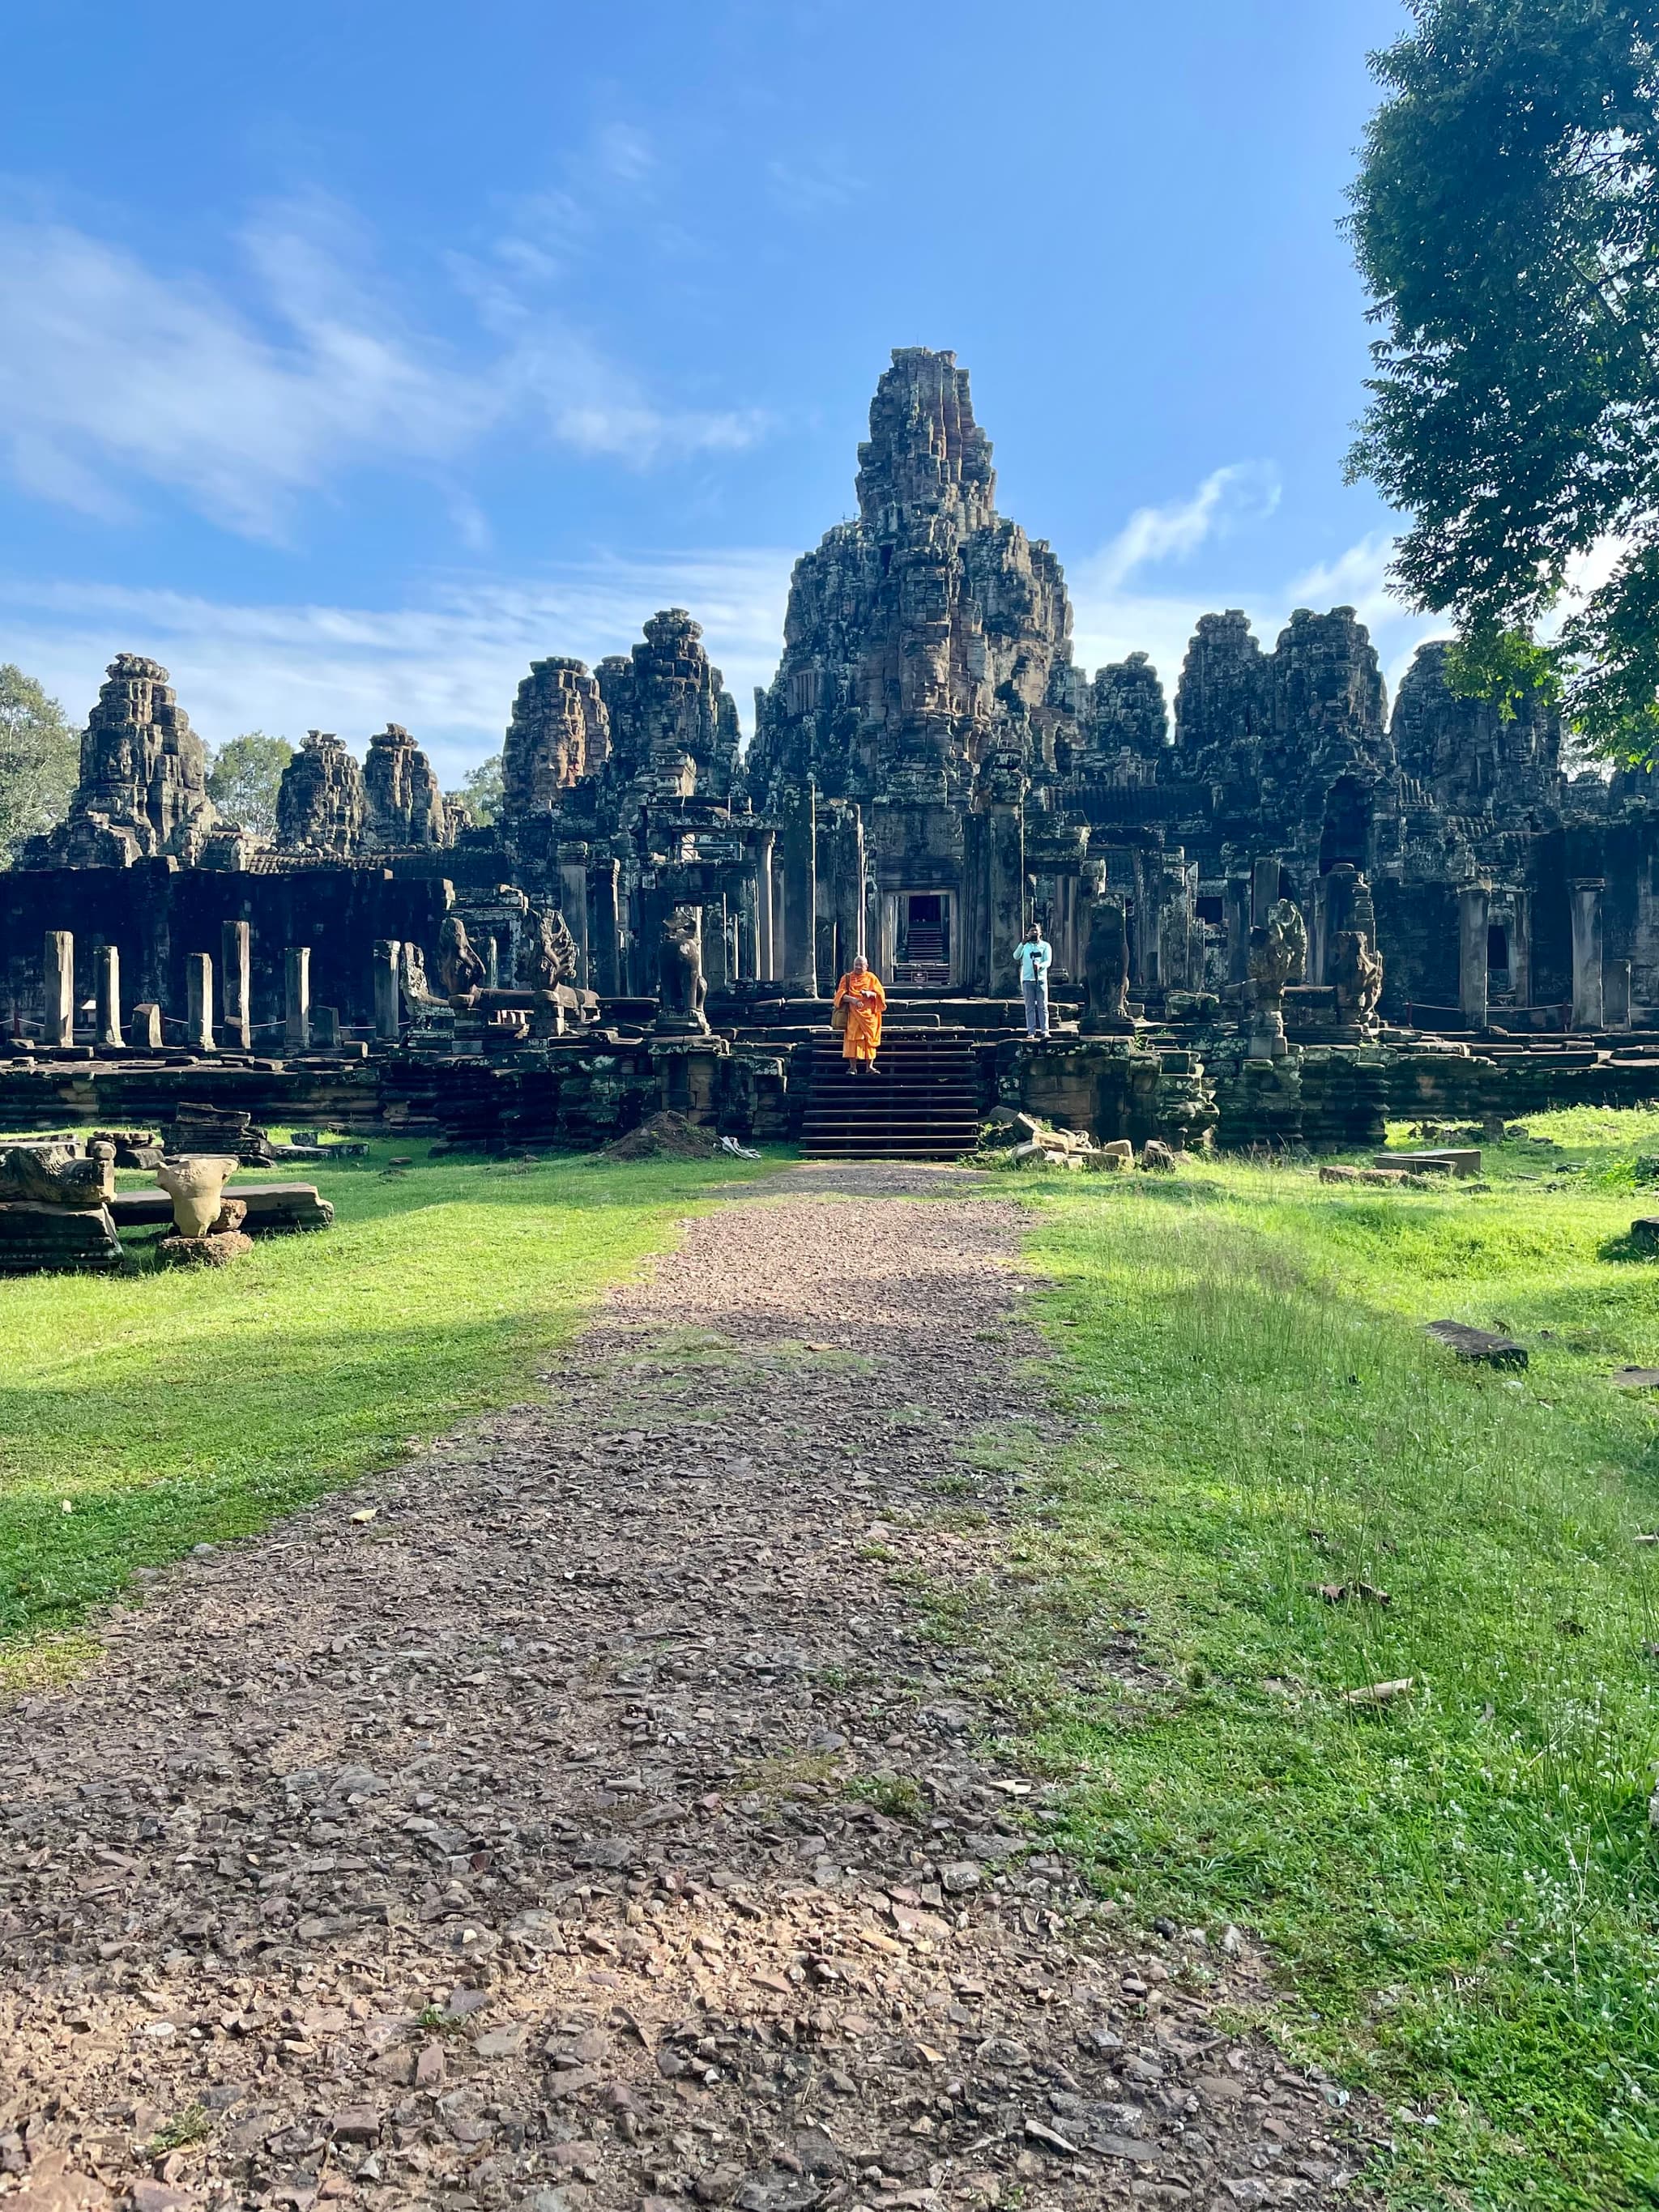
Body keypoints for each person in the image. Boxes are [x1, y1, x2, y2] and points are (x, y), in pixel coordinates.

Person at [834, 955, 886, 1076]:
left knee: (869, 1039)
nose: (858, 967)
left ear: (866, 966)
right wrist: (853, 1000)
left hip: (869, 1015)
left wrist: (869, 994)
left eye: (861, 965)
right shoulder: (847, 978)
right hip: (853, 1014)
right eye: (856, 965)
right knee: (852, 1039)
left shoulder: (872, 978)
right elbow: (839, 995)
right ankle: (852, 1067)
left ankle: (870, 1067)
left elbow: (880, 995)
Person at [1016, 922, 1052, 1038]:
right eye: (1032, 930)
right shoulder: (1025, 946)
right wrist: (1022, 944)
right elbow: (1016, 956)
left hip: (1041, 979)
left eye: (1036, 930)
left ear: (1040, 933)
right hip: (1027, 979)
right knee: (1029, 1007)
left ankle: (1045, 1030)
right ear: (1028, 933)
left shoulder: (1045, 946)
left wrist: (1040, 966)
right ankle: (1031, 1032)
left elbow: (1048, 961)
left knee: (1043, 1006)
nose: (1034, 932)